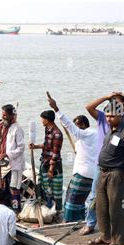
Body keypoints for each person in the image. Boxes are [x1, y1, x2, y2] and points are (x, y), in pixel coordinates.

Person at [80, 92, 124, 236]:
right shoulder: (102, 117)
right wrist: (106, 96)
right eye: (114, 105)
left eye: (120, 105)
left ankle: (112, 233)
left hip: (119, 167)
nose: (117, 108)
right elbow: (88, 107)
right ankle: (90, 224)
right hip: (101, 165)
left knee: (115, 200)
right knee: (95, 196)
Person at [47, 93, 98, 222]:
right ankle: (79, 221)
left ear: (82, 125)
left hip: (83, 174)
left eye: (77, 125)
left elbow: (71, 128)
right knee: (79, 201)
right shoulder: (90, 136)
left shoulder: (88, 133)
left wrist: (56, 109)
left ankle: (68, 222)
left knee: (71, 200)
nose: (75, 129)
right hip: (91, 173)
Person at [30, 110, 64, 213]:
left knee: (54, 189)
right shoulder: (47, 130)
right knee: (45, 187)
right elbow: (47, 145)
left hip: (53, 165)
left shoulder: (57, 133)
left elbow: (55, 153)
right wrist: (35, 146)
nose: (41, 121)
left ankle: (56, 211)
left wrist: (51, 169)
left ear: (47, 120)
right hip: (45, 162)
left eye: (42, 119)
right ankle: (47, 209)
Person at [0, 104, 25, 213]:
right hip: (4, 164)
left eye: (4, 115)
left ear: (11, 116)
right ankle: (5, 209)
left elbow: (21, 148)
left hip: (14, 164)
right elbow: (0, 142)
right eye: (2, 115)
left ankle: (16, 210)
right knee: (3, 187)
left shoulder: (17, 129)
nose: (2, 117)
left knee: (14, 188)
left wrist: (7, 154)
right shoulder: (3, 127)